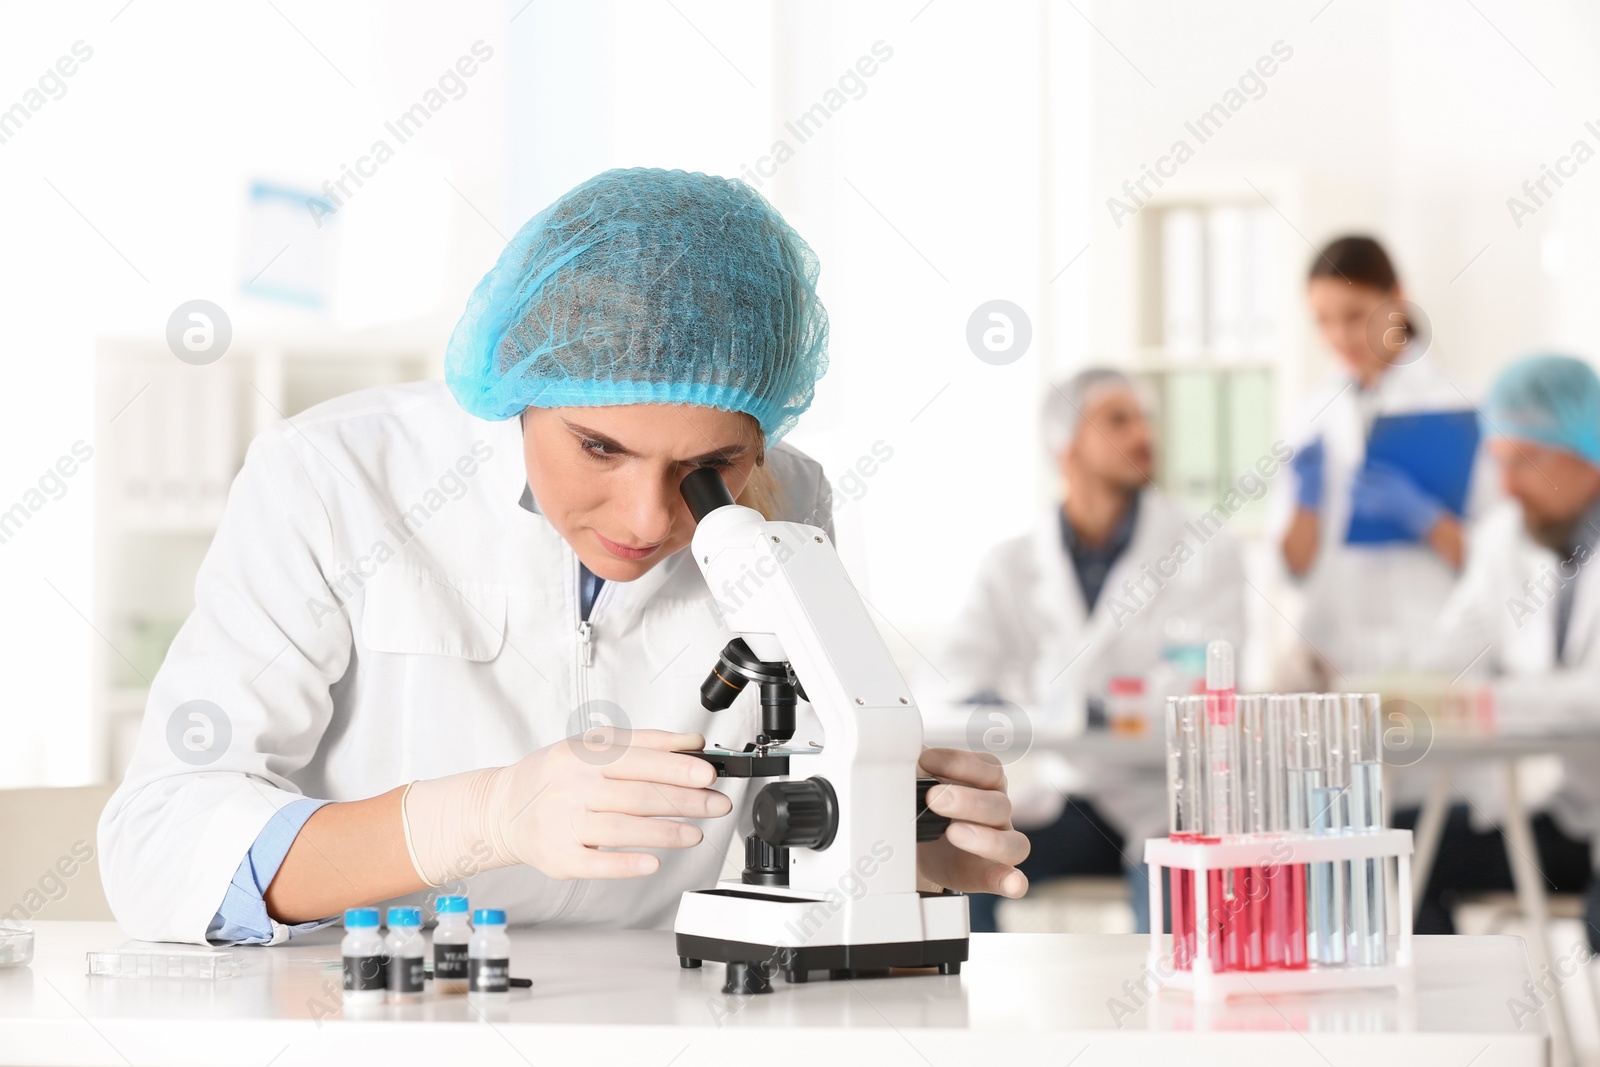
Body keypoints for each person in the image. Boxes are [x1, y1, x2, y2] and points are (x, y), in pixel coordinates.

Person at [98, 168, 1028, 945]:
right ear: (524, 384)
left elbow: (782, 801)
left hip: (657, 1015)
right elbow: (161, 844)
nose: (648, 514)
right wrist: (482, 816)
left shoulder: (791, 498)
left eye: (708, 468)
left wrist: (893, 841)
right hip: (373, 1007)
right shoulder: (338, 476)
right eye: (599, 448)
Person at [940, 368, 1246, 932]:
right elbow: (956, 671)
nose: (1142, 434)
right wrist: (999, 706)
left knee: (1170, 909)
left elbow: (1213, 677)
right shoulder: (1011, 564)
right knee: (962, 864)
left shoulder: (1207, 550)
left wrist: (1093, 708)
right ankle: (968, 1015)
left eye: (1145, 419)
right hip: (1071, 792)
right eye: (1118, 420)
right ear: (1066, 448)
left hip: (1168, 797)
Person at [1412, 353, 1600, 938]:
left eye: (1526, 462)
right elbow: (1442, 666)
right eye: (1500, 463)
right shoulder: (1502, 540)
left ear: (1588, 450)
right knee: (1386, 861)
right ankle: (1451, 1028)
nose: (1509, 485)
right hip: (1555, 811)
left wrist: (1497, 699)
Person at [1277, 236, 1493, 682]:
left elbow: (1501, 561)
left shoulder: (1465, 406)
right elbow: (1291, 565)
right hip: (1336, 658)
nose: (1339, 337)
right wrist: (1305, 505)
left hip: (1436, 654)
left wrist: (1427, 519)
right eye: (1323, 321)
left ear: (1397, 299)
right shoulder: (1308, 416)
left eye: (1355, 316)